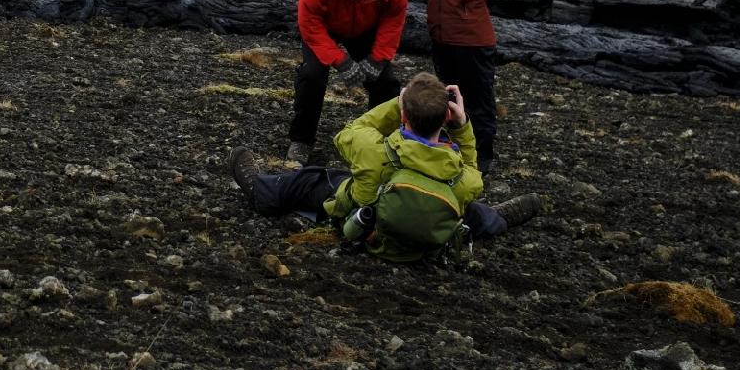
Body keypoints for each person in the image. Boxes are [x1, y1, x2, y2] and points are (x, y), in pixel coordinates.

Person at [229, 71, 540, 260]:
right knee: (469, 208)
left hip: (365, 224)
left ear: (404, 114)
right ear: (447, 116)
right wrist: (462, 126)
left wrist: (396, 103)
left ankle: (262, 190)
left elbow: (347, 134)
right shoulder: (460, 174)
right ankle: (497, 218)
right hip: (431, 224)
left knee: (311, 180)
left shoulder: (374, 152)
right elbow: (473, 172)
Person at [405, 0, 594, 172]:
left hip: (473, 41)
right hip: (441, 40)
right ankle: (454, 146)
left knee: (479, 102)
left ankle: (482, 157)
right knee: (449, 98)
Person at [285, 0, 408, 164]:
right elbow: (309, 24)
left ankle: (381, 139)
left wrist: (379, 57)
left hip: (364, 27)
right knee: (311, 76)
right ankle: (301, 140)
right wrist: (341, 62)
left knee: (385, 82)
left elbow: (395, 15)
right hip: (325, 28)